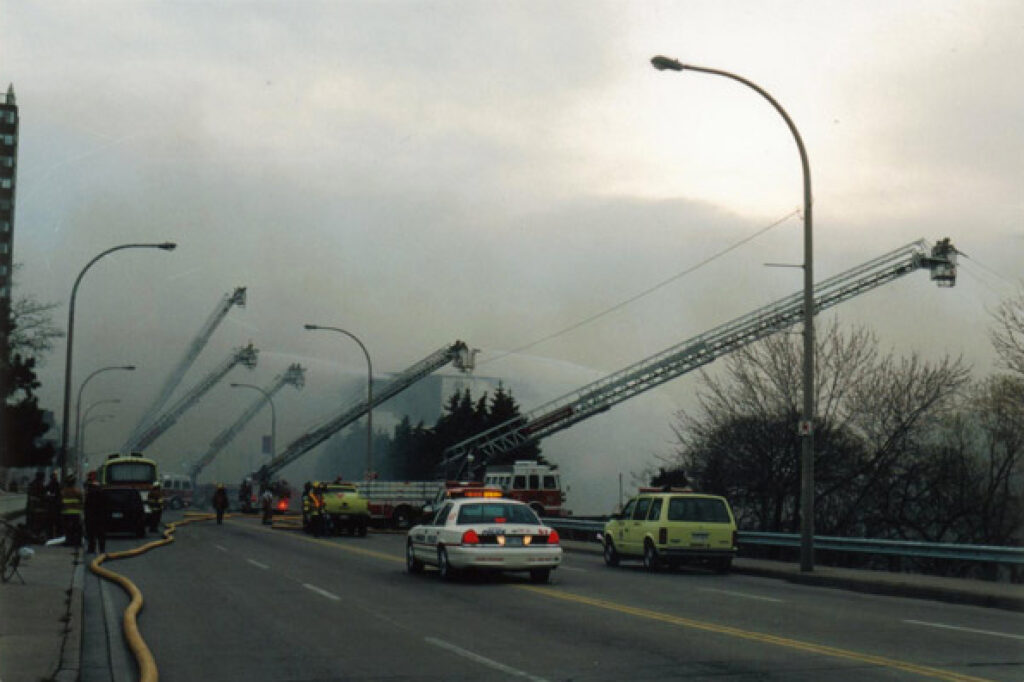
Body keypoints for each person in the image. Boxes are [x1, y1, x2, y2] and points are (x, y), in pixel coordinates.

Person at [84, 475, 108, 554]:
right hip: (100, 517)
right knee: (101, 534)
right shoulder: (101, 493)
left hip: (91, 517)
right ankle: (102, 549)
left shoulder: (90, 494)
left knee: (91, 534)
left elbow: (86, 506)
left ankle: (92, 548)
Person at [60, 475, 84, 547]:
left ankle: (68, 541)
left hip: (66, 513)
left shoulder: (63, 492)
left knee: (67, 529)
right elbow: (82, 502)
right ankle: (77, 542)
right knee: (77, 529)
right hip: (76, 513)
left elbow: (59, 502)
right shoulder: (77, 492)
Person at [45, 471, 62, 538]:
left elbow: (47, 493)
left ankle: (50, 535)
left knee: (50, 522)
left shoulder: (49, 485)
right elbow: (59, 495)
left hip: (50, 506)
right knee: (57, 522)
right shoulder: (57, 484)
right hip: (56, 507)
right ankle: (57, 535)